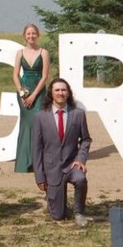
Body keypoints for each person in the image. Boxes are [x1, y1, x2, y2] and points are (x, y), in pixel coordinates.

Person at [32, 78, 93, 227]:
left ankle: (79, 212)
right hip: (51, 169)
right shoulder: (41, 117)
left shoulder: (78, 114)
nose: (61, 93)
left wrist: (81, 159)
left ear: (68, 93)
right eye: (57, 90)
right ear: (51, 93)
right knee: (58, 216)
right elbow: (36, 148)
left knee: (81, 179)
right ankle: (57, 204)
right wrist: (40, 177)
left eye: (64, 90)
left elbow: (85, 139)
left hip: (71, 165)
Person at [11, 23, 50, 173]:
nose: (31, 36)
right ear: (24, 36)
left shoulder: (43, 52)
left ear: (38, 35)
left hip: (39, 92)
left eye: (33, 33)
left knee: (38, 124)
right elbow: (15, 74)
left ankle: (37, 162)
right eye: (28, 34)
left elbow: (45, 76)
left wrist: (34, 95)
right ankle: (23, 163)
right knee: (26, 124)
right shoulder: (19, 53)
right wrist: (21, 92)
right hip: (24, 91)